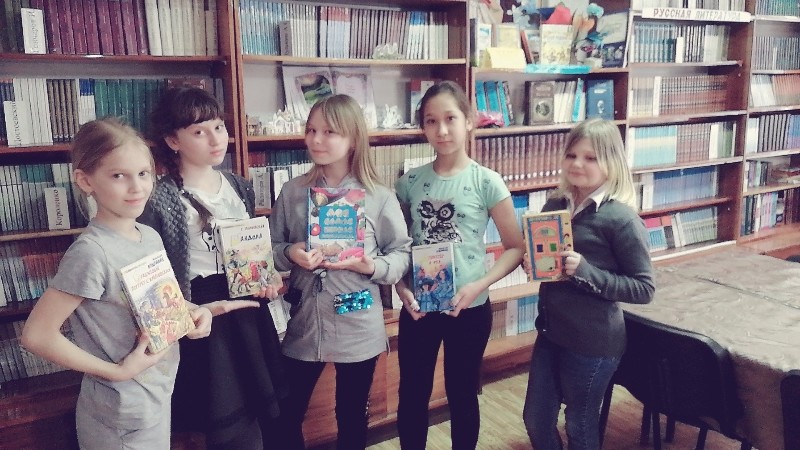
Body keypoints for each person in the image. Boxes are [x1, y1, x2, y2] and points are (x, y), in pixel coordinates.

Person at [20, 118, 214, 449]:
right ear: (86, 180)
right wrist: (118, 372)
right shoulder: (91, 253)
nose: (136, 187)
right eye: (118, 176)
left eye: (143, 173)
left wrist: (194, 312)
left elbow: (155, 303)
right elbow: (37, 335)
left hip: (156, 393)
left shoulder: (148, 236)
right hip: (120, 411)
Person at [139, 86, 286, 450]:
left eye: (218, 127)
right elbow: (154, 277)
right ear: (173, 140)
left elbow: (252, 252)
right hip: (204, 313)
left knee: (259, 413)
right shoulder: (160, 198)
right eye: (199, 131)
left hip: (248, 307)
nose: (215, 139)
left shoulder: (239, 186)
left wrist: (266, 278)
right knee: (225, 419)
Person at [269, 94, 412, 450]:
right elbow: (270, 251)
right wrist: (290, 253)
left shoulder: (378, 196)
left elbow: (402, 254)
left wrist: (371, 266)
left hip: (358, 321)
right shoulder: (293, 192)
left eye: (329, 132)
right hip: (305, 321)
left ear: (353, 138)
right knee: (285, 413)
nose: (316, 140)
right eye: (311, 130)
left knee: (351, 414)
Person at [394, 80, 525, 450]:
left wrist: (479, 285)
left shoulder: (487, 182)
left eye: (450, 118)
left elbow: (515, 248)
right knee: (412, 394)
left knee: (463, 393)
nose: (442, 130)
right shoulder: (409, 183)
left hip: (469, 308)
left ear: (469, 121)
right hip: (419, 308)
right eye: (431, 121)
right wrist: (400, 288)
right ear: (423, 127)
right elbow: (396, 249)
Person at [522, 118, 655, 450]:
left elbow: (643, 288)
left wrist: (585, 271)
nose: (577, 164)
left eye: (591, 158)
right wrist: (533, 263)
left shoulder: (621, 219)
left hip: (593, 343)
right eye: (572, 155)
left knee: (579, 426)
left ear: (611, 163)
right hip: (551, 332)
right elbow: (550, 266)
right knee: (536, 419)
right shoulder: (555, 204)